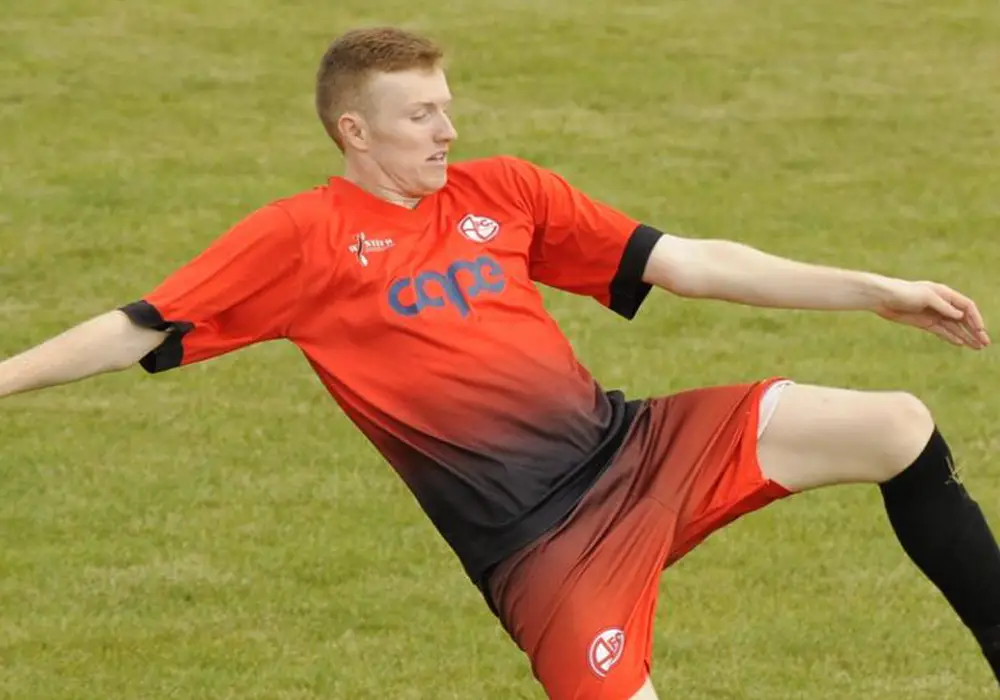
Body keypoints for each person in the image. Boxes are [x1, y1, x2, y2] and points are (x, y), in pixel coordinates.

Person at [1, 25, 997, 700]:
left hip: (640, 448)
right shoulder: (298, 239)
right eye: (422, 115)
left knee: (896, 424)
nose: (449, 129)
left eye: (446, 106)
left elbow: (686, 262)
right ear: (356, 131)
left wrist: (874, 288)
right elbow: (136, 324)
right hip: (538, 545)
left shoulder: (504, 191)